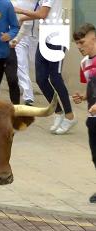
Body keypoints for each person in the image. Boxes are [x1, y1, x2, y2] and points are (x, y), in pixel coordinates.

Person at [15, 0, 77, 134]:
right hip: (43, 37)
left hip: (56, 36)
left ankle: (69, 116)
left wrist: (20, 11)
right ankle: (58, 112)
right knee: (41, 79)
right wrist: (23, 18)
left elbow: (42, 14)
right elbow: (39, 13)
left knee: (55, 77)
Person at [71, 23, 96, 203]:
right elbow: (92, 87)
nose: (79, 47)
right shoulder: (84, 63)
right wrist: (85, 97)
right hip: (92, 118)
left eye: (82, 42)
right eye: (77, 44)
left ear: (94, 39)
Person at [10, 0, 39, 106]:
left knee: (37, 65)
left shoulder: (40, 2)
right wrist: (15, 38)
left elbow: (43, 15)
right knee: (21, 66)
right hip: (20, 38)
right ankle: (28, 97)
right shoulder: (15, 3)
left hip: (38, 37)